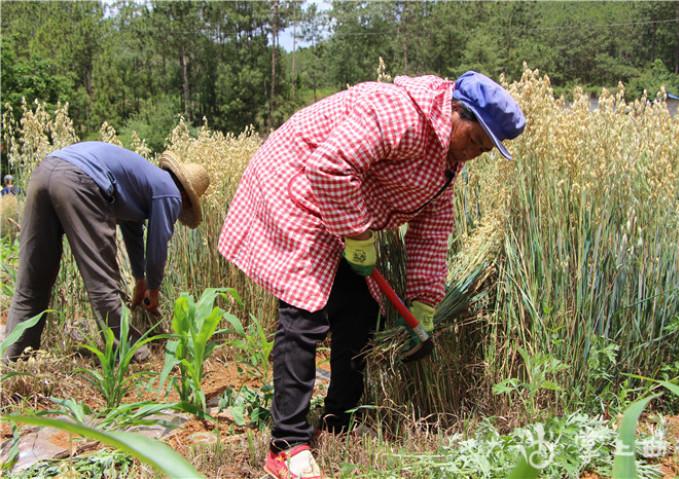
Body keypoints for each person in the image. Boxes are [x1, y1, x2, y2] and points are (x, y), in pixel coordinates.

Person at [218, 71, 525, 479]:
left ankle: (338, 421)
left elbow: (431, 231)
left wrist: (424, 300)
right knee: (305, 310)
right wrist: (358, 235)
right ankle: (286, 445)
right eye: (473, 140)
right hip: (296, 183)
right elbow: (330, 165)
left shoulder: (448, 164)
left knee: (362, 309)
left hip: (341, 206)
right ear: (454, 111)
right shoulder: (400, 114)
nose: (473, 153)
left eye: (485, 149)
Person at [4, 142, 209, 362]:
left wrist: (140, 279)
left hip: (46, 171)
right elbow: (158, 246)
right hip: (79, 180)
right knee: (103, 286)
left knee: (32, 281)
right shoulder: (170, 192)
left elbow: (134, 232)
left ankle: (14, 357)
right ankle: (136, 356)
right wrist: (154, 288)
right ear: (186, 196)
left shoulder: (144, 181)